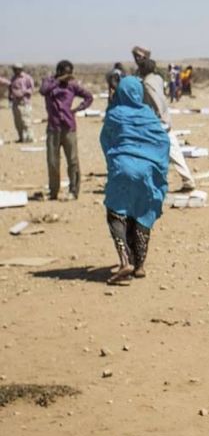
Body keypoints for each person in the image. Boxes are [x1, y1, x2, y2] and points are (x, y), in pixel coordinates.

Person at [100, 76, 170, 285]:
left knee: (116, 213)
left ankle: (124, 261)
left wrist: (115, 160)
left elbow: (105, 141)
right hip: (148, 171)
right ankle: (139, 266)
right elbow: (164, 140)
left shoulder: (114, 114)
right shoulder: (148, 115)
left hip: (123, 168)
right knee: (141, 214)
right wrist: (157, 167)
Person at [137, 57, 197, 192]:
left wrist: (156, 119)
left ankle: (149, 184)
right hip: (166, 121)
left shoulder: (147, 83)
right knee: (174, 152)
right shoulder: (157, 79)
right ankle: (188, 180)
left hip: (157, 123)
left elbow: (155, 102)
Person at [40, 60, 93, 200]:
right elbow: (43, 91)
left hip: (69, 127)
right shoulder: (49, 82)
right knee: (53, 161)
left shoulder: (72, 86)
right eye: (65, 73)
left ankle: (74, 190)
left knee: (73, 160)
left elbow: (89, 97)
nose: (68, 76)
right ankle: (53, 191)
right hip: (53, 127)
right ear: (58, 72)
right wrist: (58, 81)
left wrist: (77, 109)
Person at [3, 64, 36, 143]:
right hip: (15, 103)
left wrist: (23, 92)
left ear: (20, 69)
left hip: (24, 102)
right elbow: (11, 88)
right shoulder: (13, 78)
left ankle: (29, 138)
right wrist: (11, 97)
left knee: (26, 121)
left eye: (16, 69)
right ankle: (21, 138)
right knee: (18, 122)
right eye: (14, 69)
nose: (15, 70)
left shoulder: (27, 78)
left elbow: (31, 89)